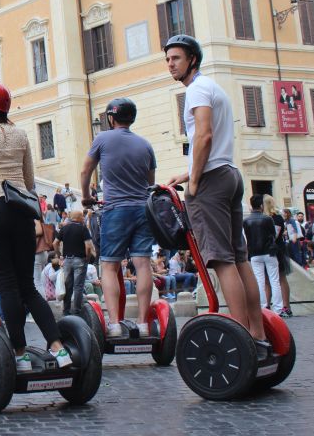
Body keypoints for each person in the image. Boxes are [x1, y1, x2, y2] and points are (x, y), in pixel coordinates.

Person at [164, 35, 267, 349]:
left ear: (192, 60)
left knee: (222, 261)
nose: (171, 65)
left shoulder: (196, 89)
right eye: (168, 59)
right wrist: (184, 174)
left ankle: (240, 338)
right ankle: (257, 333)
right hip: (229, 174)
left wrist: (193, 181)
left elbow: (205, 136)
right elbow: (211, 143)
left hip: (211, 181)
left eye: (177, 58)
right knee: (239, 258)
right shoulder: (213, 87)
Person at [0, 82, 71, 373]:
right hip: (21, 212)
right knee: (28, 286)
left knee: (7, 285)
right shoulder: (22, 134)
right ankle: (59, 348)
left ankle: (21, 355)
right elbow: (29, 180)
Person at [79, 97, 156, 336]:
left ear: (111, 118)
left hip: (116, 209)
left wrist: (86, 196)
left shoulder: (102, 138)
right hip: (143, 209)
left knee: (110, 266)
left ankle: (113, 324)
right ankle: (143, 323)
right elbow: (150, 183)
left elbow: (85, 170)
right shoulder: (145, 145)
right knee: (143, 264)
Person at [243, 194, 283, 314]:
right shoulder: (267, 219)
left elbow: (245, 238)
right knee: (274, 280)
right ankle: (278, 309)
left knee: (259, 280)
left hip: (254, 253)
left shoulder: (246, 220)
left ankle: (262, 307)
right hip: (269, 252)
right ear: (261, 205)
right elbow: (273, 235)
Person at [53, 210, 95, 315]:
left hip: (67, 260)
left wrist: (59, 256)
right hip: (80, 260)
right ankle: (77, 311)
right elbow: (88, 246)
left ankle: (66, 311)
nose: (83, 218)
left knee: (68, 286)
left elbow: (55, 243)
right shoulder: (83, 228)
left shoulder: (64, 228)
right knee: (78, 286)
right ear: (79, 217)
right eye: (82, 216)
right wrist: (87, 257)